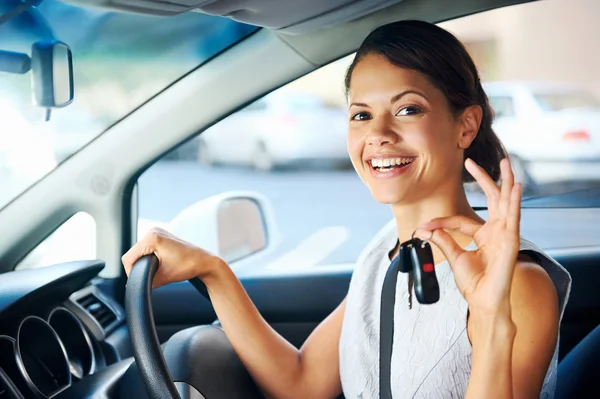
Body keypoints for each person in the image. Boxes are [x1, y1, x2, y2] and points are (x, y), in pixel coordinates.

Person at [122, 20, 571, 399]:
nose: (378, 134)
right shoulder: (383, 254)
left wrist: (491, 318)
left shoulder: (519, 283)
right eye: (360, 115)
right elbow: (301, 383)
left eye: (407, 109)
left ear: (466, 125)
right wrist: (213, 270)